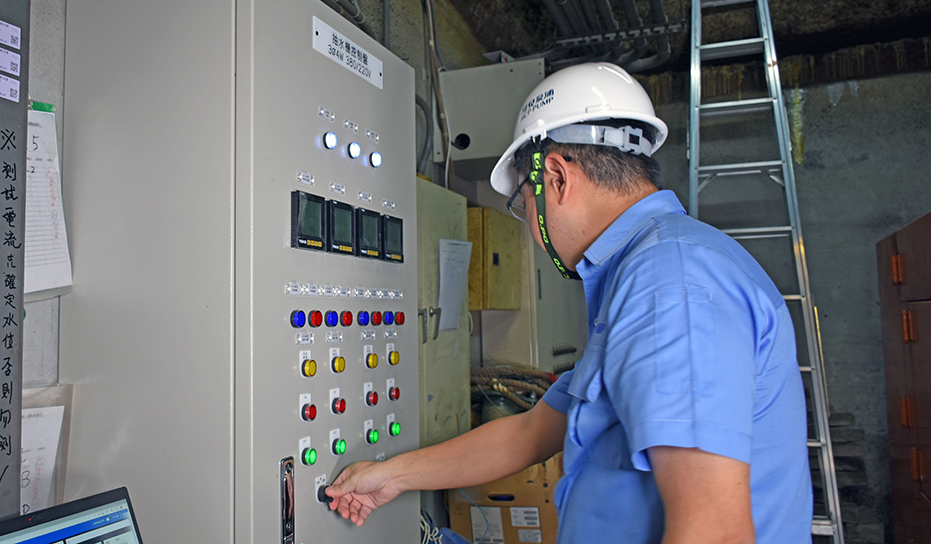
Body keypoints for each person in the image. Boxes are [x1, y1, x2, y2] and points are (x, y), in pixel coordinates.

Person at [326, 62, 813, 543]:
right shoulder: (649, 274)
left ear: (556, 177)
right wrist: (392, 476)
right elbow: (530, 433)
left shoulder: (669, 283)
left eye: (524, 203)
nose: (531, 226)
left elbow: (716, 533)